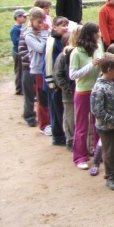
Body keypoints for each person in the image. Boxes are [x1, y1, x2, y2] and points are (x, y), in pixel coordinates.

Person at [69, 22, 104, 169]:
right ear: (91, 34)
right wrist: (92, 65)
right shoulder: (76, 53)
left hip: (97, 90)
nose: (100, 34)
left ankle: (98, 153)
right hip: (83, 92)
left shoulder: (98, 47)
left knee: (98, 124)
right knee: (82, 126)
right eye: (98, 32)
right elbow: (73, 75)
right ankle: (80, 157)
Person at [90, 53, 114, 191]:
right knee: (110, 153)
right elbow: (97, 111)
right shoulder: (99, 88)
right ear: (109, 70)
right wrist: (112, 120)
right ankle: (111, 177)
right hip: (107, 128)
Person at [25, 7, 51, 135]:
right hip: (38, 71)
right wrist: (45, 33)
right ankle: (43, 125)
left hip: (47, 68)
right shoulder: (28, 35)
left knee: (48, 97)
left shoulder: (43, 31)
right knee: (42, 98)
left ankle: (50, 122)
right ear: (32, 21)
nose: (41, 24)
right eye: (38, 22)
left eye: (43, 21)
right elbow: (41, 48)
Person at [45, 16, 69, 146]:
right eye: (62, 25)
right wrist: (52, 84)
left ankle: (62, 134)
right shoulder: (52, 42)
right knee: (56, 109)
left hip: (59, 82)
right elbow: (49, 64)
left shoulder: (60, 40)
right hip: (54, 84)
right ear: (54, 27)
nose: (66, 28)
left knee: (60, 109)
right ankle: (58, 136)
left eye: (67, 25)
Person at [54, 28, 78, 150]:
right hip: (69, 94)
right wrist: (68, 89)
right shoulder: (62, 57)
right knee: (69, 118)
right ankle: (70, 140)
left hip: (77, 92)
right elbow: (58, 75)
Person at [11, 9, 27, 95]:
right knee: (19, 70)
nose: (25, 18)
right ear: (17, 17)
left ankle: (22, 88)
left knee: (22, 70)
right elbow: (15, 41)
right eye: (24, 17)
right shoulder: (15, 29)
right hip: (17, 53)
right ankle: (19, 89)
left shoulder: (22, 27)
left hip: (21, 51)